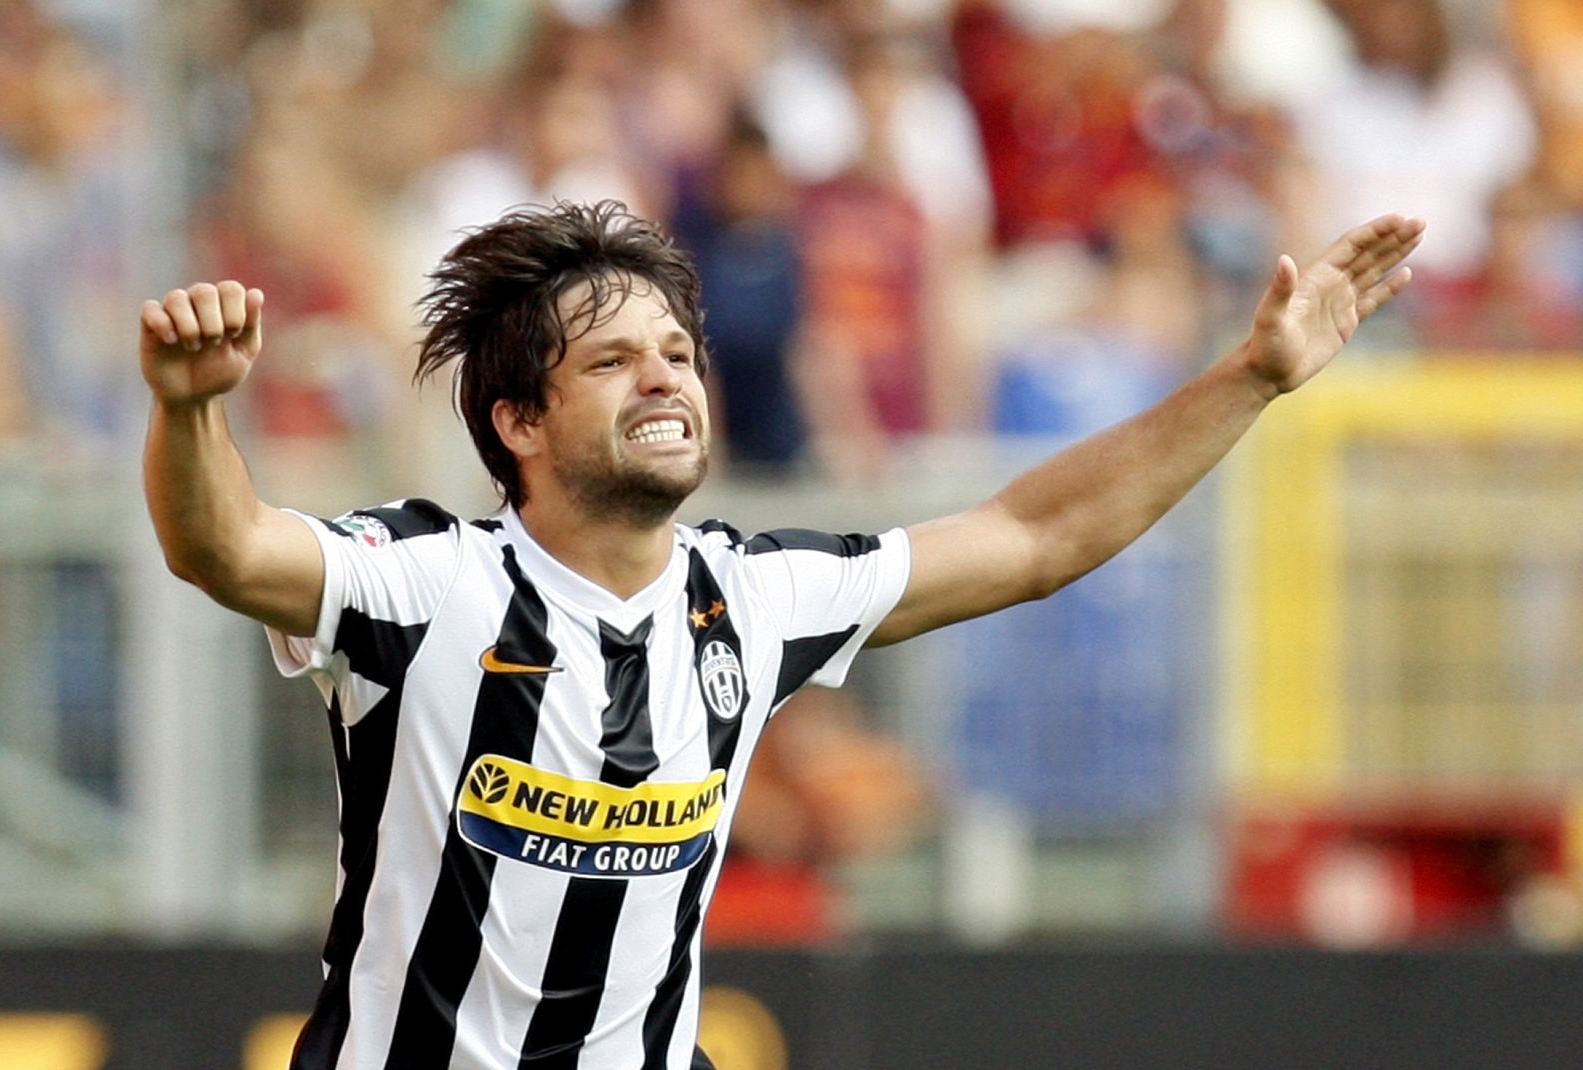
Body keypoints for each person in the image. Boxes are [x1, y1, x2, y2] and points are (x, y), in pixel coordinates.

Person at [139, 200, 1422, 1069]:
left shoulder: (747, 599)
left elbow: (1036, 537)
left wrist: (1249, 376)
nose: (665, 378)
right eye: (611, 363)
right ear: (518, 422)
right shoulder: (429, 582)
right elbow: (226, 547)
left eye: (679, 353)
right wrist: (191, 412)